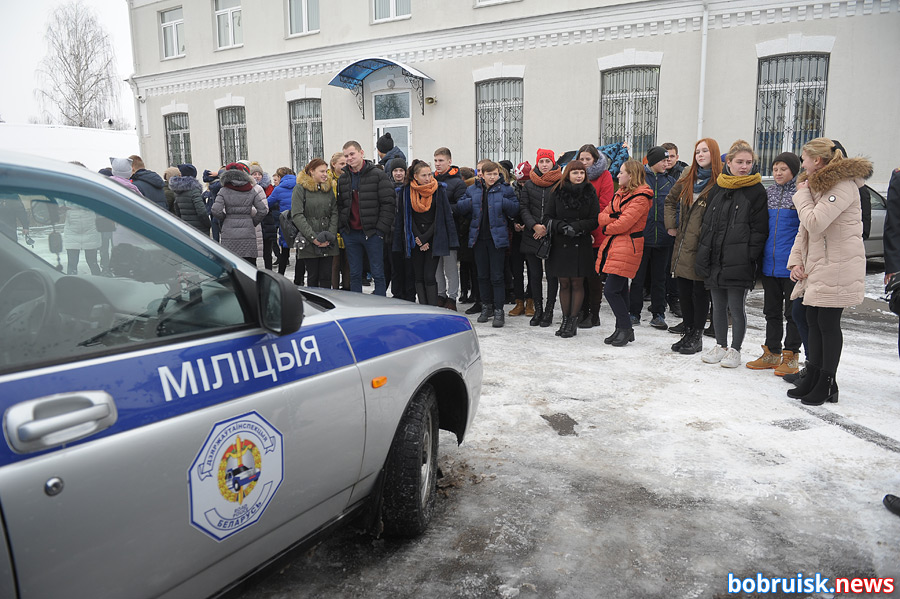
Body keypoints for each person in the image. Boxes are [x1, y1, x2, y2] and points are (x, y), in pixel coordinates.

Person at [785, 138, 872, 405]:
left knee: (827, 323)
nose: (801, 163)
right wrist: (796, 261)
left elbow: (815, 221)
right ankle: (813, 374)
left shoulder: (842, 185)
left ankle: (827, 382)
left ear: (818, 160)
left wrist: (800, 195)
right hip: (819, 263)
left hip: (839, 264)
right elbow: (805, 232)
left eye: (804, 158)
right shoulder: (819, 186)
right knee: (811, 317)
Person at [694, 140, 768, 369]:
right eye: (739, 162)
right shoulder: (719, 186)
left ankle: (736, 349)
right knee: (717, 305)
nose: (744, 166)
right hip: (716, 257)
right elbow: (707, 224)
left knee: (736, 307)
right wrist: (704, 252)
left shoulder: (756, 190)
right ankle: (720, 345)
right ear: (729, 163)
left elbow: (759, 229)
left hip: (739, 259)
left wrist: (748, 255)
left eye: (748, 162)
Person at [664, 139, 722, 355]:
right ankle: (688, 331)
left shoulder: (721, 180)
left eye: (705, 151)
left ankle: (697, 335)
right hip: (683, 243)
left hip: (704, 245)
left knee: (700, 292)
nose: (700, 154)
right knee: (684, 291)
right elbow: (670, 200)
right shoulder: (688, 175)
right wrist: (671, 225)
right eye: (697, 151)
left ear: (713, 153)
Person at [746, 152, 802, 375]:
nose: (778, 173)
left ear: (794, 171)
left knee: (793, 313)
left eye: (783, 169)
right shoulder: (768, 193)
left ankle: (791, 356)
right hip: (769, 263)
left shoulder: (801, 194)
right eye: (775, 169)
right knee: (771, 311)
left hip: (791, 266)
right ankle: (771, 352)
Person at [455, 161, 520, 327]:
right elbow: (460, 207)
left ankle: (499, 310)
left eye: (495, 174)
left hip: (497, 239)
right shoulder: (472, 189)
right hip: (478, 239)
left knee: (497, 276)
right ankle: (486, 306)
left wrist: (502, 202)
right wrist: (472, 202)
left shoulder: (505, 189)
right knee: (482, 275)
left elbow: (515, 209)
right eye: (489, 174)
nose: (492, 177)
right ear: (481, 175)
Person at [596, 159, 652, 346]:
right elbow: (602, 215)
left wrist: (608, 226)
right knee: (619, 289)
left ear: (631, 175)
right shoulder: (621, 193)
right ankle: (621, 328)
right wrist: (613, 219)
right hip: (616, 244)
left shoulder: (641, 197)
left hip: (628, 245)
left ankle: (626, 328)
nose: (618, 175)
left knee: (611, 290)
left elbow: (624, 224)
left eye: (621, 172)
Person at [544, 160, 600, 338]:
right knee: (564, 282)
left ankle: (573, 320)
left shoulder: (590, 192)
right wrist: (561, 227)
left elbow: (594, 219)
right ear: (568, 174)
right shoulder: (557, 191)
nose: (579, 176)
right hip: (561, 243)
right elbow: (547, 217)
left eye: (582, 173)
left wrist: (578, 227)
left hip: (580, 241)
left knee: (577, 282)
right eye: (575, 173)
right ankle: (566, 319)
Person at [395, 159, 458, 305]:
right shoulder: (406, 191)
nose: (428, 178)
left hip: (433, 238)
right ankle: (423, 306)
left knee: (430, 275)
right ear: (415, 176)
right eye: (424, 175)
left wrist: (425, 238)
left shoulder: (438, 190)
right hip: (415, 238)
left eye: (429, 174)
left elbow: (441, 217)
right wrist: (418, 238)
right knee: (418, 276)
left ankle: (432, 306)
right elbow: (406, 217)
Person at [336, 141, 395, 296]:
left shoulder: (378, 175)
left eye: (352, 154)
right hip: (351, 233)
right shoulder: (343, 179)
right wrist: (342, 229)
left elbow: (388, 204)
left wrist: (380, 230)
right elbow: (341, 205)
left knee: (378, 273)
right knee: (354, 274)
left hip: (373, 233)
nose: (349, 158)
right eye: (346, 155)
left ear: (361, 153)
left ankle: (379, 307)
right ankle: (358, 307)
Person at [629, 146, 676, 330]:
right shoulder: (639, 180)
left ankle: (658, 313)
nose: (667, 163)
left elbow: (675, 207)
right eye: (663, 160)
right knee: (638, 278)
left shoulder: (671, 182)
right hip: (642, 237)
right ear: (652, 161)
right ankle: (634, 312)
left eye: (668, 160)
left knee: (659, 278)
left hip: (663, 238)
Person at [518, 149, 563, 327]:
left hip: (553, 235)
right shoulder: (529, 184)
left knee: (552, 275)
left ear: (553, 163)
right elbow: (524, 208)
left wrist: (547, 227)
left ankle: (549, 310)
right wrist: (534, 225)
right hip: (532, 234)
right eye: (541, 161)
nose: (544, 165)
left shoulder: (560, 183)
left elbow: (561, 209)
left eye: (547, 161)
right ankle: (538, 309)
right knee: (534, 275)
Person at [576, 144, 614, 329]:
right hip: (578, 232)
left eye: (588, 159)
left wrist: (587, 224)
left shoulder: (604, 176)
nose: (584, 163)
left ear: (595, 160)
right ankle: (582, 310)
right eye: (581, 159)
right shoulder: (576, 175)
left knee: (593, 276)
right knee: (580, 275)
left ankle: (594, 313)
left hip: (596, 231)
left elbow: (605, 203)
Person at [292, 158, 339, 287]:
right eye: (321, 171)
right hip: (309, 241)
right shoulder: (300, 189)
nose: (325, 174)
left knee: (326, 277)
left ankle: (327, 306)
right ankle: (314, 305)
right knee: (313, 277)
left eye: (326, 171)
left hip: (328, 242)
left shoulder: (328, 189)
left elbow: (334, 212)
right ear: (312, 171)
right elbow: (297, 215)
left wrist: (330, 236)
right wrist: (313, 238)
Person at [211, 163, 268, 265]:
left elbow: (215, 210)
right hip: (248, 231)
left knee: (231, 266)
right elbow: (263, 210)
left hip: (229, 233)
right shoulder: (251, 190)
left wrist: (225, 219)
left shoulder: (223, 191)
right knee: (250, 265)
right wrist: (253, 222)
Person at [433, 147, 467, 311]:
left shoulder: (458, 182)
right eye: (435, 160)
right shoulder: (431, 179)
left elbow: (462, 206)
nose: (437, 164)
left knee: (451, 267)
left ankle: (452, 297)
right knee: (436, 266)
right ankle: (441, 294)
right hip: (433, 231)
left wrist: (444, 210)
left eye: (441, 160)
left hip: (450, 230)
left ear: (449, 161)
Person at [327, 151, 349, 290]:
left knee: (347, 263)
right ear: (333, 165)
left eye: (346, 163)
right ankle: (335, 292)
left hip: (347, 224)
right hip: (332, 226)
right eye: (342, 164)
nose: (344, 166)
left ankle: (347, 290)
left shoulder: (349, 178)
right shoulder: (328, 182)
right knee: (334, 264)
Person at [269, 167, 296, 276]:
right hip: (299, 221)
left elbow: (268, 203)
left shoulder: (278, 189)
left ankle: (281, 275)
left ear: (280, 177)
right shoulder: (300, 185)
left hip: (286, 223)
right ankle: (298, 279)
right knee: (300, 252)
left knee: (284, 252)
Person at [169, 163, 211, 235]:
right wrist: (208, 224)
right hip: (199, 229)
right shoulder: (194, 191)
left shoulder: (177, 191)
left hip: (186, 227)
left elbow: (177, 210)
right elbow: (201, 211)